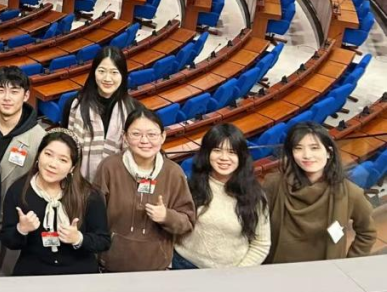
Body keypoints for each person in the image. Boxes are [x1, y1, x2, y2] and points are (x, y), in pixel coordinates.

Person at [94, 106, 195, 272]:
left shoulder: (173, 172)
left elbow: (188, 222)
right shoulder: (109, 167)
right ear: (125, 137)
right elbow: (93, 216)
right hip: (112, 264)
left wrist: (166, 216)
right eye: (136, 134)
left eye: (152, 134)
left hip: (157, 267)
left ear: (163, 137)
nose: (144, 140)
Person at [0, 130, 111, 276]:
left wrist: (79, 239)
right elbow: (7, 240)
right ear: (38, 155)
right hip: (33, 274)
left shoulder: (89, 195)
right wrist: (21, 229)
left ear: (72, 167)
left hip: (79, 275)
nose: (53, 164)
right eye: (48, 154)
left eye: (63, 160)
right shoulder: (18, 190)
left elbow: (103, 241)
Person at [265, 122, 375, 263]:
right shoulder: (274, 184)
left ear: (329, 152)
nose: (307, 155)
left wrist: (348, 265)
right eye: (298, 148)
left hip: (325, 271)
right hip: (276, 268)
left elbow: (367, 233)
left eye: (314, 148)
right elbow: (256, 227)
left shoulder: (350, 192)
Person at [174, 124, 270, 269]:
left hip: (229, 272)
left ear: (241, 156)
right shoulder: (190, 185)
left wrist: (237, 274)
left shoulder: (254, 194)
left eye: (232, 152)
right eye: (217, 150)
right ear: (207, 153)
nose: (224, 158)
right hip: (182, 264)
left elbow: (261, 244)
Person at [0, 66, 47, 275]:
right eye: (0, 90)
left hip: (13, 227)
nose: (7, 98)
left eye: (14, 91)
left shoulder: (39, 139)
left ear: (26, 95)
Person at [66, 46, 139, 181]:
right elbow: (65, 144)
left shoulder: (134, 108)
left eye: (114, 72)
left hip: (118, 182)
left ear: (123, 75)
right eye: (101, 71)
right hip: (79, 182)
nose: (107, 78)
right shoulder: (74, 104)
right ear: (93, 72)